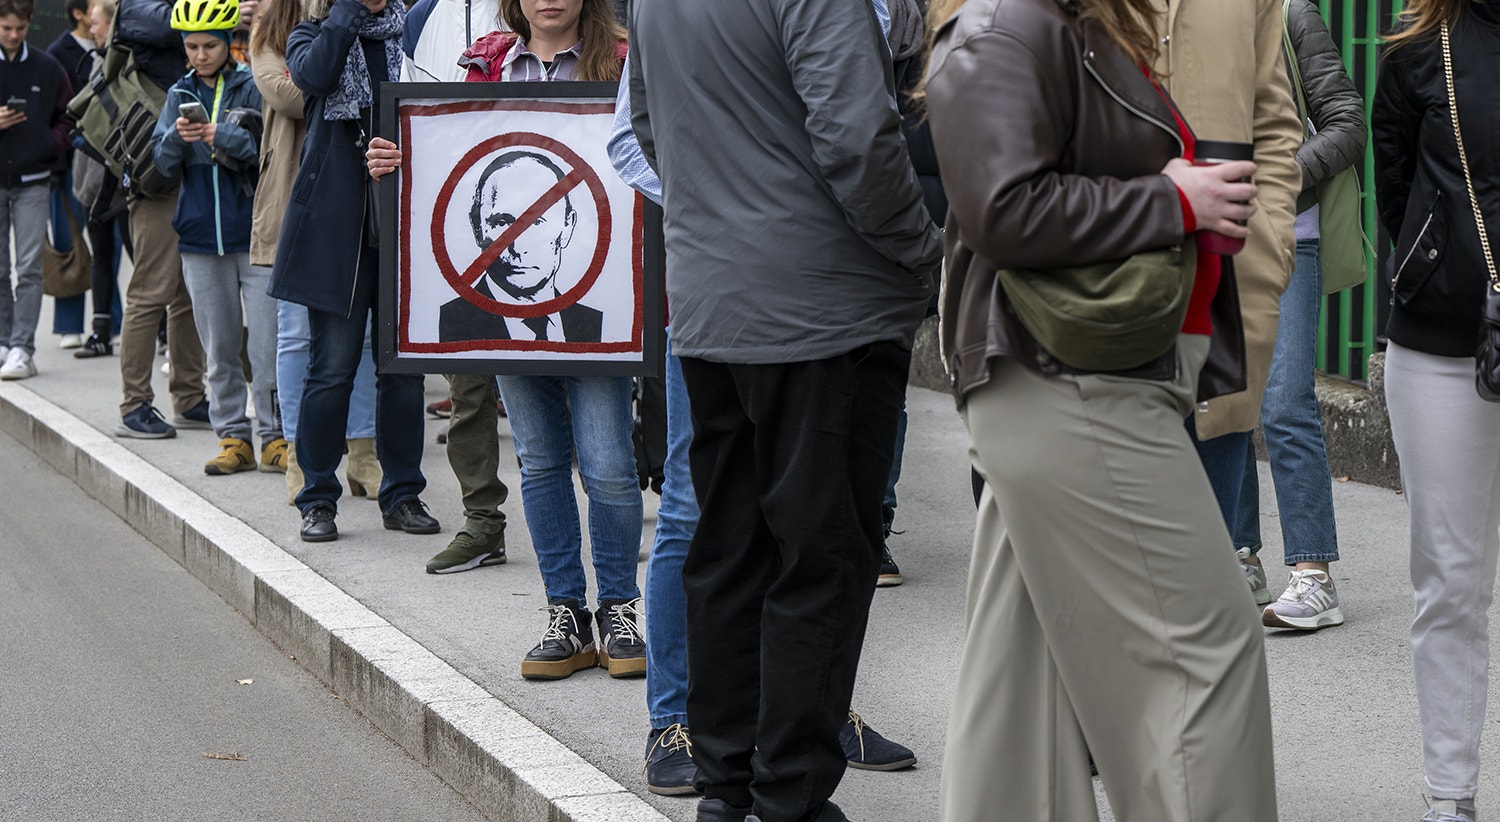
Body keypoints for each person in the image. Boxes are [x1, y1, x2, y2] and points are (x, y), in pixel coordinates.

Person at [924, 0, 1282, 817]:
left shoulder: (1063, 20)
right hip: (1071, 383)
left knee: (1022, 686)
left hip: (1080, 378)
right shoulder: (1008, 22)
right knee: (1205, 657)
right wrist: (1171, 202)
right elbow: (1001, 209)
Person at [629, 0, 940, 816]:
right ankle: (790, 796)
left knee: (730, 547)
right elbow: (860, 145)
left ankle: (727, 789)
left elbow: (649, 129)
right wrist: (924, 252)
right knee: (822, 558)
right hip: (822, 309)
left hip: (713, 302)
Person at [371, 0, 644, 668]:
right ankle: (565, 611)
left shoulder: (628, 60)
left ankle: (620, 607)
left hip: (603, 307)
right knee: (542, 461)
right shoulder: (485, 61)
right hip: (502, 320)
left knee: (608, 463)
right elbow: (453, 155)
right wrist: (400, 156)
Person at [1375, 1, 1500, 818]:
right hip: (1443, 347)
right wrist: (1449, 267)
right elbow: (1392, 186)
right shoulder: (1424, 47)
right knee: (1451, 584)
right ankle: (1449, 799)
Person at [269, 0, 439, 542]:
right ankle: (317, 498)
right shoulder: (311, 33)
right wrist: (345, 14)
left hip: (406, 222)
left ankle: (403, 494)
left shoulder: (411, 35)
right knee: (332, 369)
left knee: (404, 371)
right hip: (338, 227)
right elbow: (314, 77)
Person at [1158, 0, 1303, 602]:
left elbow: (1273, 123)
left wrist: (1270, 245)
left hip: (1227, 293)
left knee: (1206, 594)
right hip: (1101, 302)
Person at [1236, 0, 1364, 630]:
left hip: (1287, 234)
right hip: (1209, 234)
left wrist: (1282, 175)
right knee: (1220, 400)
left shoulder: (1290, 12)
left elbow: (1346, 121)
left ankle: (1314, 575)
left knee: (1284, 399)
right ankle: (1239, 559)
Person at [250, 0, 381, 505]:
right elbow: (292, 93)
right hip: (296, 196)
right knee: (296, 337)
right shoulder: (279, 25)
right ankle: (300, 461)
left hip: (360, 195)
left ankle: (363, 453)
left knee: (365, 343)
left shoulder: (378, 23)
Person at [151, 0, 283, 476]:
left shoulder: (254, 84)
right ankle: (233, 437)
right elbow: (162, 166)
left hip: (255, 236)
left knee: (267, 346)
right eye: (192, 46)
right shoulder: (178, 92)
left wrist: (218, 136)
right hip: (199, 240)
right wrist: (178, 139)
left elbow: (268, 154)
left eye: (209, 45)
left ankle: (275, 436)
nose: (200, 55)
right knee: (220, 347)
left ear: (229, 42)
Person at [112, 0, 209, 437]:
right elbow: (142, 20)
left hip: (197, 167)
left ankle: (189, 396)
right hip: (155, 171)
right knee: (150, 290)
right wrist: (212, 13)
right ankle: (134, 404)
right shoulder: (140, 5)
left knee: (189, 291)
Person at [437, 150, 602, 344]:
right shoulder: (449, 323)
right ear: (477, 228)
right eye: (501, 223)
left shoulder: (598, 325)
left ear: (567, 226)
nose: (519, 247)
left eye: (537, 222)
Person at [0, 0, 75, 381]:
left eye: (20, 28)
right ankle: (3, 341)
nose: (14, 35)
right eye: (6, 28)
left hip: (33, 180)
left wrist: (51, 142)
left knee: (28, 267)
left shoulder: (47, 67)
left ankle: (22, 348)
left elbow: (68, 114)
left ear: (30, 24)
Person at [68, 0, 129, 361]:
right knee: (101, 256)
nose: (91, 31)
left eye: (96, 24)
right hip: (94, 178)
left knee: (141, 258)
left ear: (112, 25)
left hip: (123, 178)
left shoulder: (127, 65)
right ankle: (100, 332)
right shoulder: (95, 61)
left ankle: (166, 331)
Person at [45, 0, 94, 352]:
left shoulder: (115, 46)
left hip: (108, 162)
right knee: (69, 240)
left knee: (113, 245)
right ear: (78, 12)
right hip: (70, 160)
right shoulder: (57, 53)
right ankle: (69, 325)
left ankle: (113, 320)